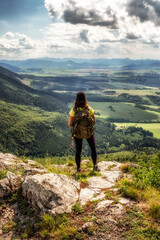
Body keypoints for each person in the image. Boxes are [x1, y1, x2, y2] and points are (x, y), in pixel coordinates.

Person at [68, 92, 99, 172]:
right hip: (89, 133)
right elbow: (94, 122)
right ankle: (95, 166)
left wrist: (78, 125)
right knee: (93, 148)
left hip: (77, 134)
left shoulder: (73, 110)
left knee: (78, 150)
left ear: (76, 100)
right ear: (85, 99)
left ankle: (78, 169)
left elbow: (69, 123)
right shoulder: (89, 109)